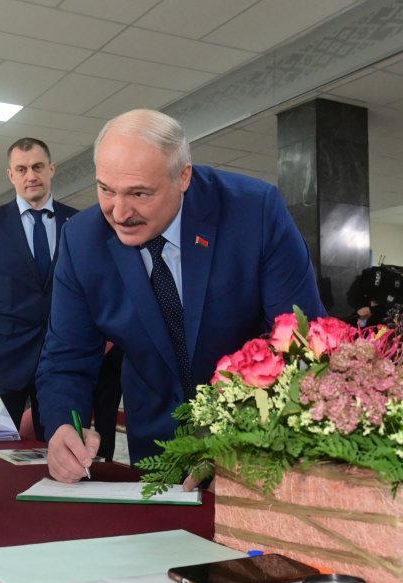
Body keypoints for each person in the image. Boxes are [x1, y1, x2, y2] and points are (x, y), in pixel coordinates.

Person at [37, 109, 326, 482]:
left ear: (183, 176)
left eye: (139, 193)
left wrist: (228, 440)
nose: (119, 213)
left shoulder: (254, 211)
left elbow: (302, 344)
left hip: (255, 442)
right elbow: (66, 358)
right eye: (106, 190)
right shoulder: (81, 240)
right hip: (157, 445)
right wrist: (62, 425)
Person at [0, 138, 78, 435]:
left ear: (51, 169)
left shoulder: (79, 223)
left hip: (61, 363)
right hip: (0, 366)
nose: (31, 176)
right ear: (11, 175)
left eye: (37, 167)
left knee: (62, 452)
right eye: (21, 169)